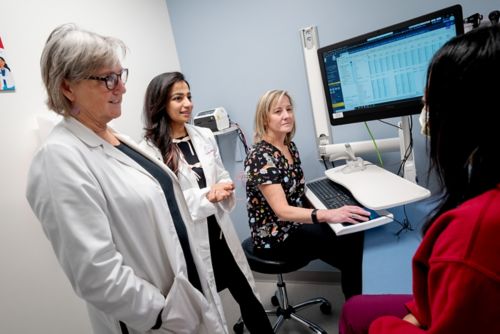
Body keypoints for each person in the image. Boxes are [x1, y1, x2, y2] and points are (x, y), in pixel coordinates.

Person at [26, 24, 228, 334]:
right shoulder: (59, 159)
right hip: (158, 319)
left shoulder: (115, 138)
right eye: (108, 79)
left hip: (188, 295)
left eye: (121, 76)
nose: (121, 88)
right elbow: (96, 275)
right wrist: (164, 315)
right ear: (68, 87)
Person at [339, 24, 500, 334]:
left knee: (357, 309)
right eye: (278, 111)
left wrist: (387, 326)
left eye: (429, 102)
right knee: (354, 298)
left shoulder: (474, 233)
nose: (424, 110)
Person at [139, 71, 274, 334]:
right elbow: (165, 203)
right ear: (160, 104)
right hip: (190, 241)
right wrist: (207, 196)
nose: (187, 103)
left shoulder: (203, 135)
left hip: (220, 233)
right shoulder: (149, 150)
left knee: (248, 295)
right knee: (208, 308)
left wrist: (224, 188)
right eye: (178, 98)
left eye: (189, 96)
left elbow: (220, 174)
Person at [244, 89, 371, 299]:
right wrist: (329, 214)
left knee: (351, 235)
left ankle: (358, 293)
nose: (286, 115)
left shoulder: (288, 146)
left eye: (289, 109)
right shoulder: (260, 156)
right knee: (350, 248)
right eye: (278, 111)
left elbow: (297, 191)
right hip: (275, 238)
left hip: (293, 226)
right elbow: (282, 211)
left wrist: (331, 202)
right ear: (264, 118)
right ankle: (356, 311)